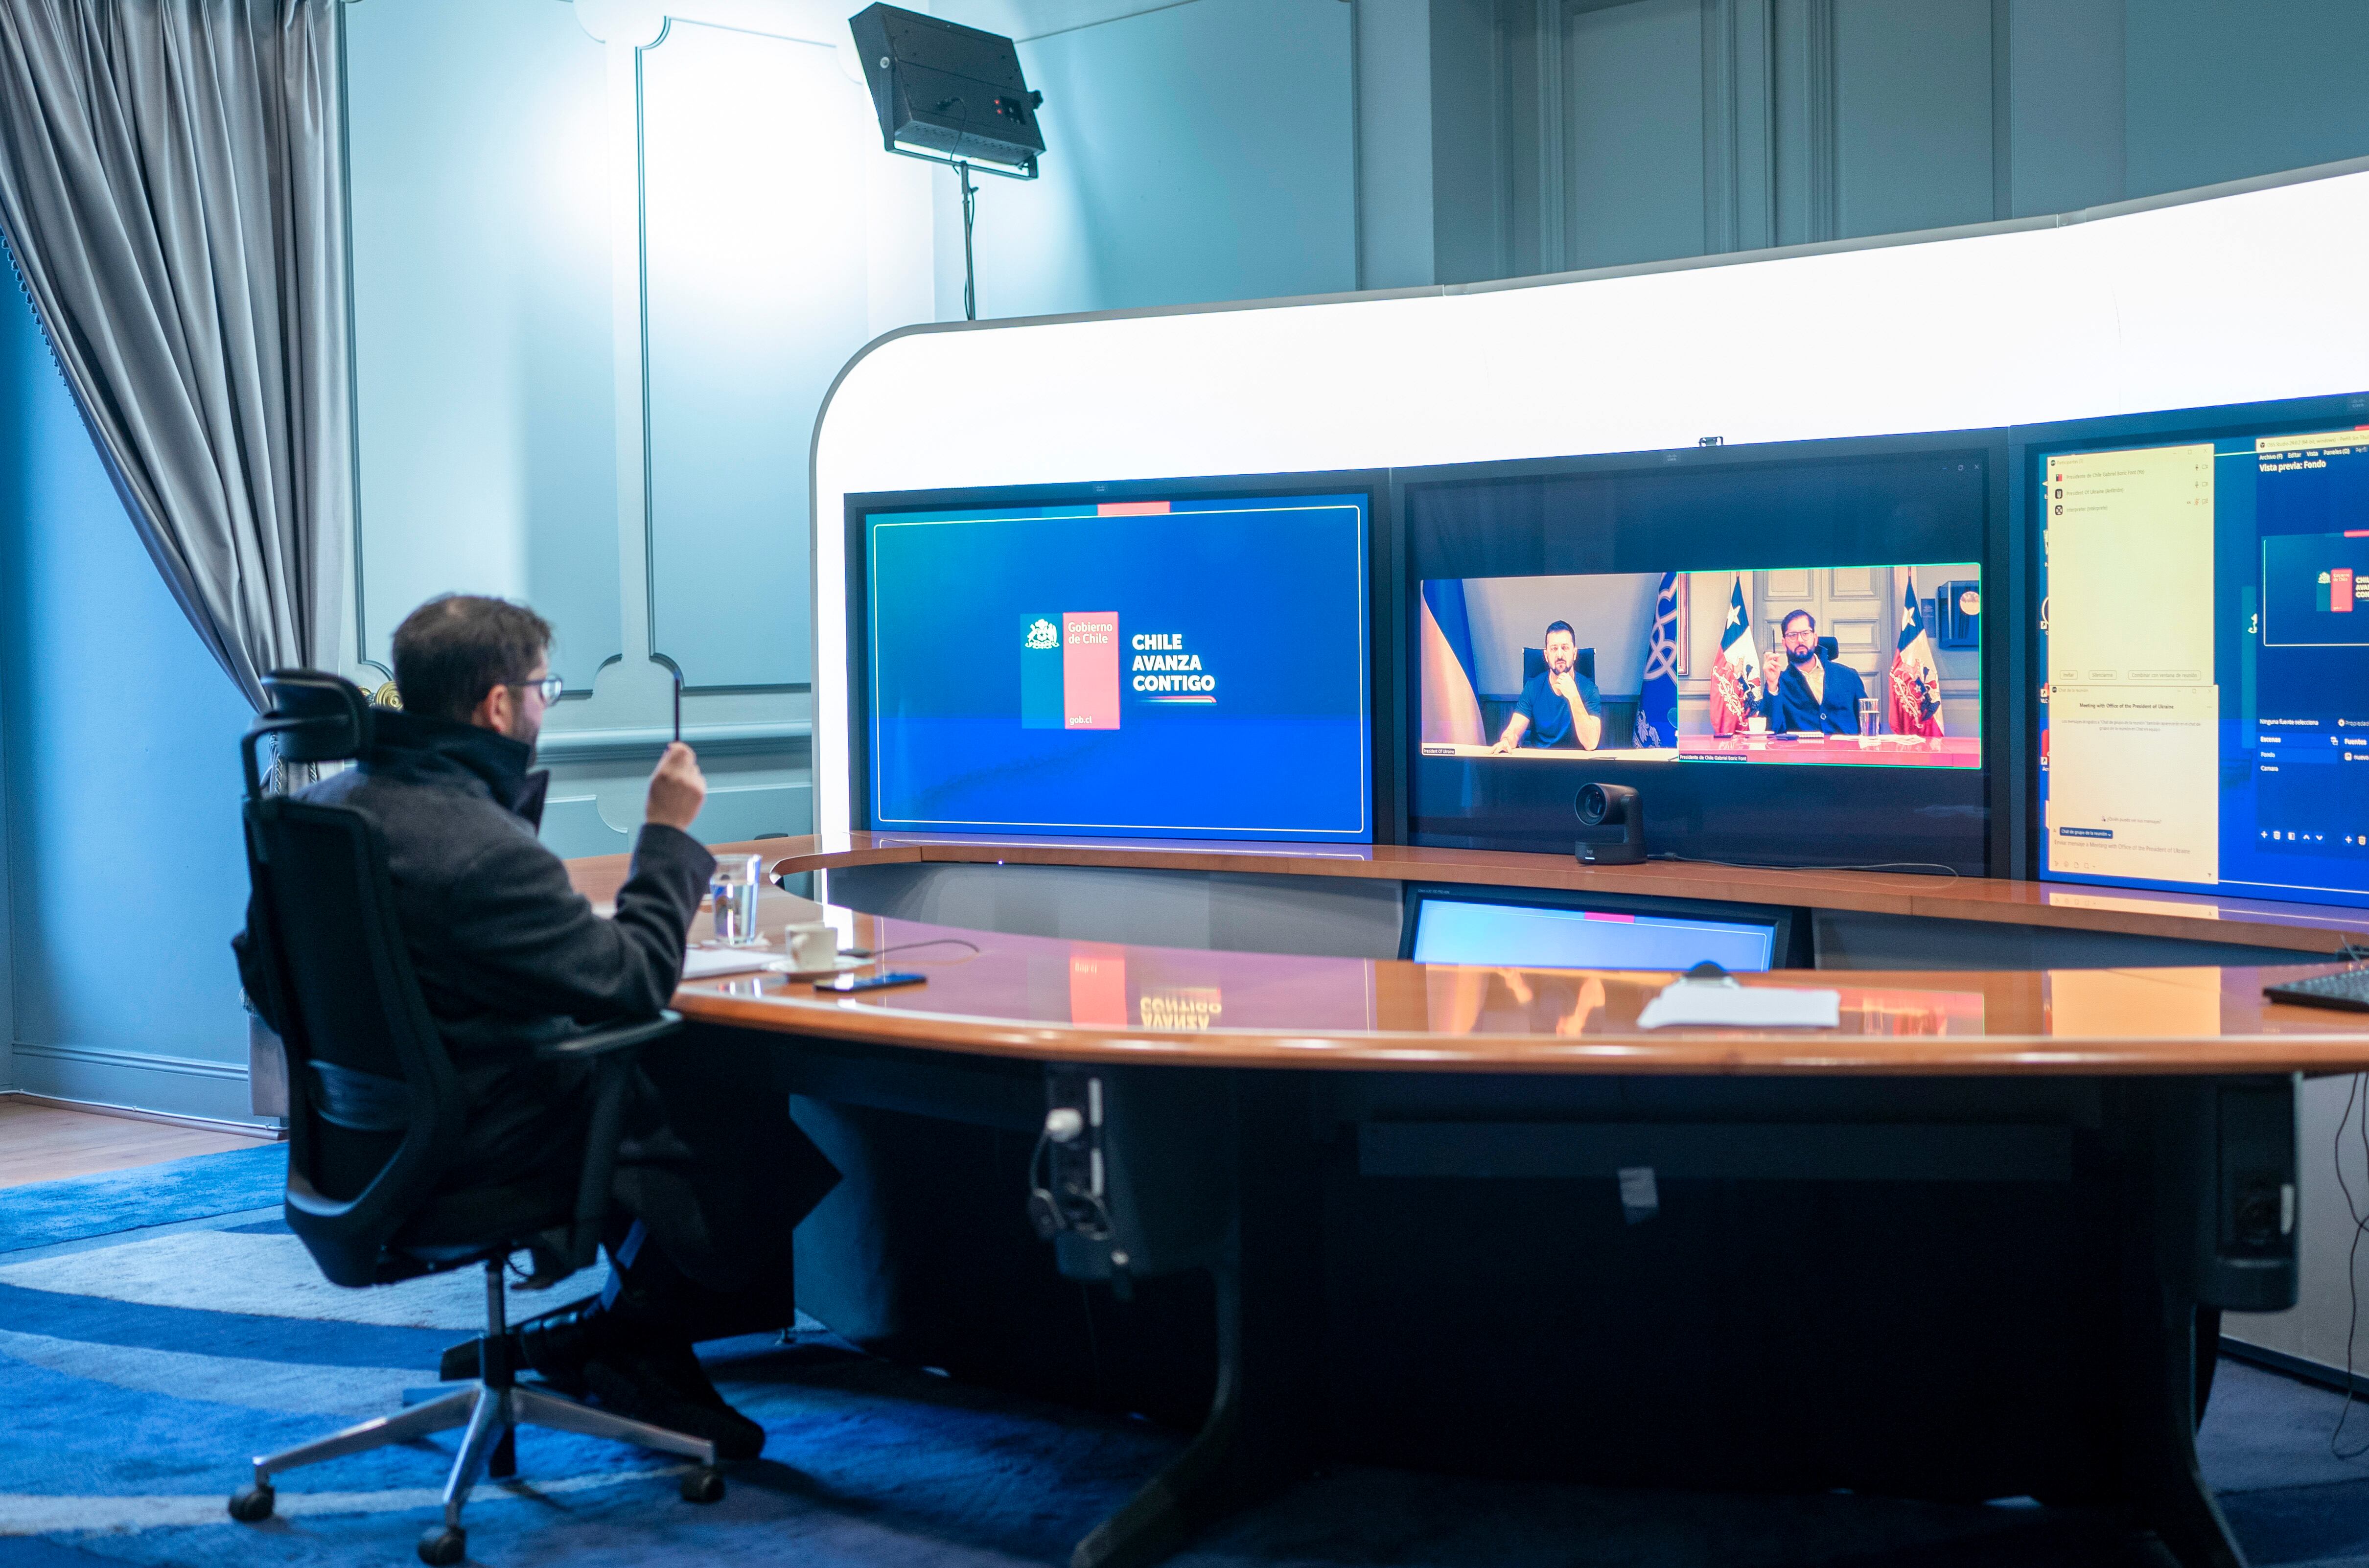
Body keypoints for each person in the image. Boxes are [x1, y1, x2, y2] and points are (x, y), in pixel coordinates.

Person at [234, 595, 835, 1460]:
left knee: (674, 1084)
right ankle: (627, 1338)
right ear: (498, 705)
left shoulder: (319, 813)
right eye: (544, 686)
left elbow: (264, 968)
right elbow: (632, 981)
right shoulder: (477, 842)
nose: (547, 703)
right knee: (727, 1101)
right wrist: (666, 832)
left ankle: (612, 1334)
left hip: (361, 1137)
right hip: (477, 1151)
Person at [1489, 620, 1603, 751]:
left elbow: (1591, 743)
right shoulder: (1532, 688)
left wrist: (1573, 696)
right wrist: (1507, 741)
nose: (1560, 655)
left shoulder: (1590, 690)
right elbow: (1514, 730)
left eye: (1565, 648)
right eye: (1554, 649)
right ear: (1546, 655)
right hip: (1540, 764)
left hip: (1577, 765)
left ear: (1575, 653)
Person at [1754, 608, 1869, 735]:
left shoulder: (1848, 676)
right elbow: (1771, 731)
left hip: (1845, 753)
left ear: (1815, 639)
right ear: (1784, 643)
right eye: (1793, 635)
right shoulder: (1779, 683)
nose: (1800, 640)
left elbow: (1868, 725)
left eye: (1806, 633)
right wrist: (1772, 686)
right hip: (1802, 753)